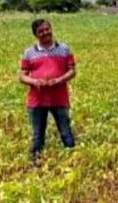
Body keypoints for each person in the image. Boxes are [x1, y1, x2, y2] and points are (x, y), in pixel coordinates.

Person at [19, 19, 76, 160]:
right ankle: (35, 161)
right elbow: (22, 76)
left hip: (59, 98)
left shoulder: (64, 49)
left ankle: (72, 159)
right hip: (37, 100)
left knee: (66, 132)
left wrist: (60, 80)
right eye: (41, 31)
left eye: (47, 29)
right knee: (38, 134)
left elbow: (72, 70)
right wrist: (35, 81)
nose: (45, 33)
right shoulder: (29, 52)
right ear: (35, 35)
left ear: (51, 29)